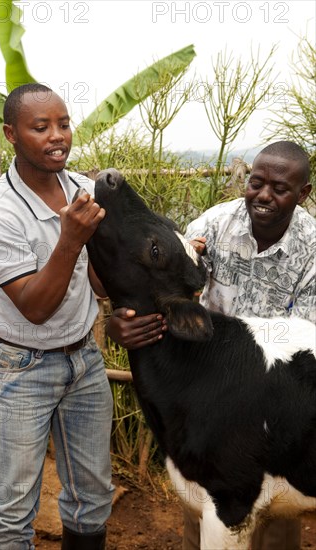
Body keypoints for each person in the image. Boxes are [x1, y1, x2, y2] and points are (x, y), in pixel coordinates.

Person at [107, 140, 315, 550]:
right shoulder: (215, 224)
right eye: (256, 182)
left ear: (303, 194)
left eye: (280, 188)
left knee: (275, 529)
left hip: (274, 414)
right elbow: (170, 280)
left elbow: (306, 345)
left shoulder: (314, 249)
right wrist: (120, 324)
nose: (264, 195)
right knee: (205, 515)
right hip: (208, 400)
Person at [0, 83, 114, 550]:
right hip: (20, 368)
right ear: (11, 134)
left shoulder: (83, 191)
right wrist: (71, 240)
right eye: (41, 127)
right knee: (10, 515)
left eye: (64, 124)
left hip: (84, 360)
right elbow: (33, 308)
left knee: (92, 499)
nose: (58, 136)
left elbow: (99, 282)